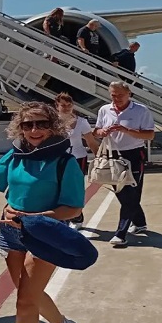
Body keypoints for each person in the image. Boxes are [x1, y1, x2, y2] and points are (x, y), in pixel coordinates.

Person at [0, 101, 85, 323]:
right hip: (10, 233)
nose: (34, 130)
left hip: (45, 234)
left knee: (24, 302)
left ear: (53, 126)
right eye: (28, 124)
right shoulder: (15, 155)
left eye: (41, 123)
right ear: (20, 128)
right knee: (28, 292)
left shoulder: (65, 162)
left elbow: (73, 209)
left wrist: (35, 218)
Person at [93, 81, 155, 245]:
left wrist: (126, 130)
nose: (116, 98)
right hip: (112, 156)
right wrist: (102, 132)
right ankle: (140, 223)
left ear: (129, 94)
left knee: (132, 194)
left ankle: (121, 233)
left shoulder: (141, 110)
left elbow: (149, 135)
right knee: (122, 193)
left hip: (134, 155)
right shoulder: (105, 110)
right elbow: (96, 131)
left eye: (120, 95)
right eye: (113, 95)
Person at [55, 92, 100, 229]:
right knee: (58, 188)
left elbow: (91, 142)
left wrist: (99, 158)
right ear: (57, 105)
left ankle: (77, 217)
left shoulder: (81, 122)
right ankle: (62, 216)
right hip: (58, 159)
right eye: (63, 105)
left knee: (75, 189)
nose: (67, 108)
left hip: (78, 158)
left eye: (69, 105)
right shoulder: (51, 122)